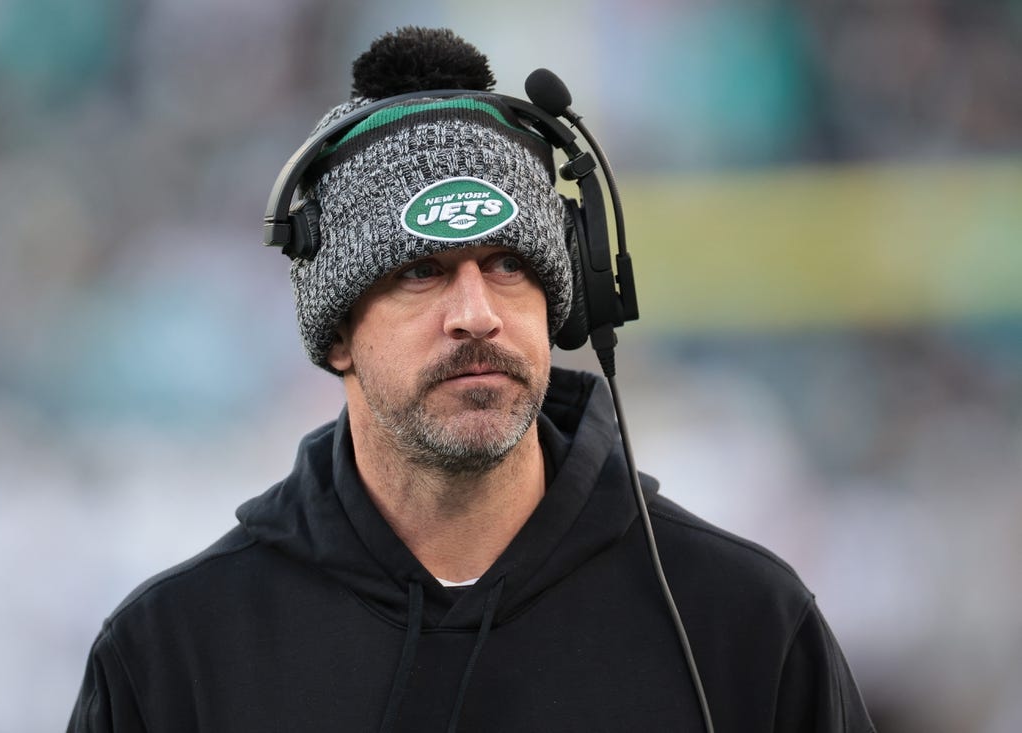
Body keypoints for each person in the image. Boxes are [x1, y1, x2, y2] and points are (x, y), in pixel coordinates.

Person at [68, 27, 875, 732]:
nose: (477, 312)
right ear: (338, 331)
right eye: (422, 271)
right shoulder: (175, 652)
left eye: (507, 264)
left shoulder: (744, 625)